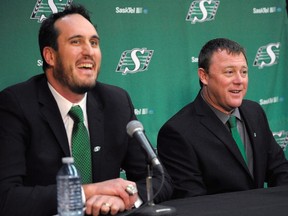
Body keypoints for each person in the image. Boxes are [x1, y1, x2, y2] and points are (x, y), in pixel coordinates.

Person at [0, 4, 172, 216]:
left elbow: (159, 179)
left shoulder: (116, 102)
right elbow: (7, 197)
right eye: (76, 42)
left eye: (94, 43)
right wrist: (91, 191)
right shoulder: (16, 104)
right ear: (50, 56)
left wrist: (125, 198)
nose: (89, 51)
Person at [157, 38, 288, 199]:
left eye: (244, 72)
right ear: (204, 76)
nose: (239, 80)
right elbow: (193, 202)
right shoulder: (178, 132)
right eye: (229, 72)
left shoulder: (255, 112)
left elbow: (280, 170)